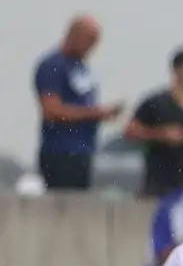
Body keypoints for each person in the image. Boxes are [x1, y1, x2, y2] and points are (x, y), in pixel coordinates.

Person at [33, 14, 122, 191]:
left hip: (84, 150)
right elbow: (52, 110)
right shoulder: (52, 65)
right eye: (89, 40)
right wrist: (95, 113)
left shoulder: (82, 68)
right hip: (60, 152)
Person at [125, 46, 183, 198]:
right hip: (160, 184)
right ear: (178, 69)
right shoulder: (156, 102)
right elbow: (130, 131)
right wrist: (160, 134)